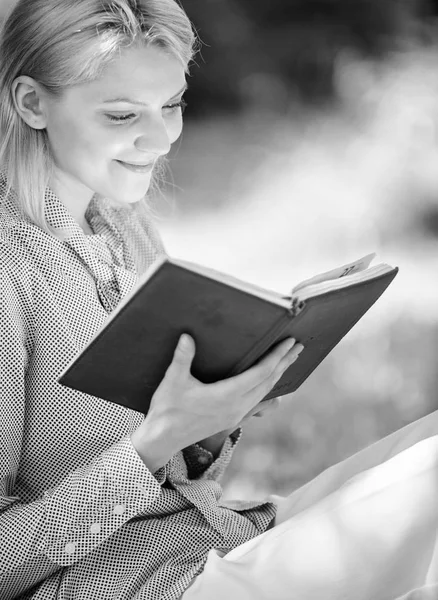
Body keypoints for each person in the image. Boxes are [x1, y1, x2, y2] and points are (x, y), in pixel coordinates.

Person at [0, 1, 436, 599]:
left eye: (172, 105)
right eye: (123, 113)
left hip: (218, 543)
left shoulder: (121, 226)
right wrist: (152, 443)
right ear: (31, 103)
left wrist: (211, 419)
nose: (159, 139)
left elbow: (175, 469)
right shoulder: (11, 269)